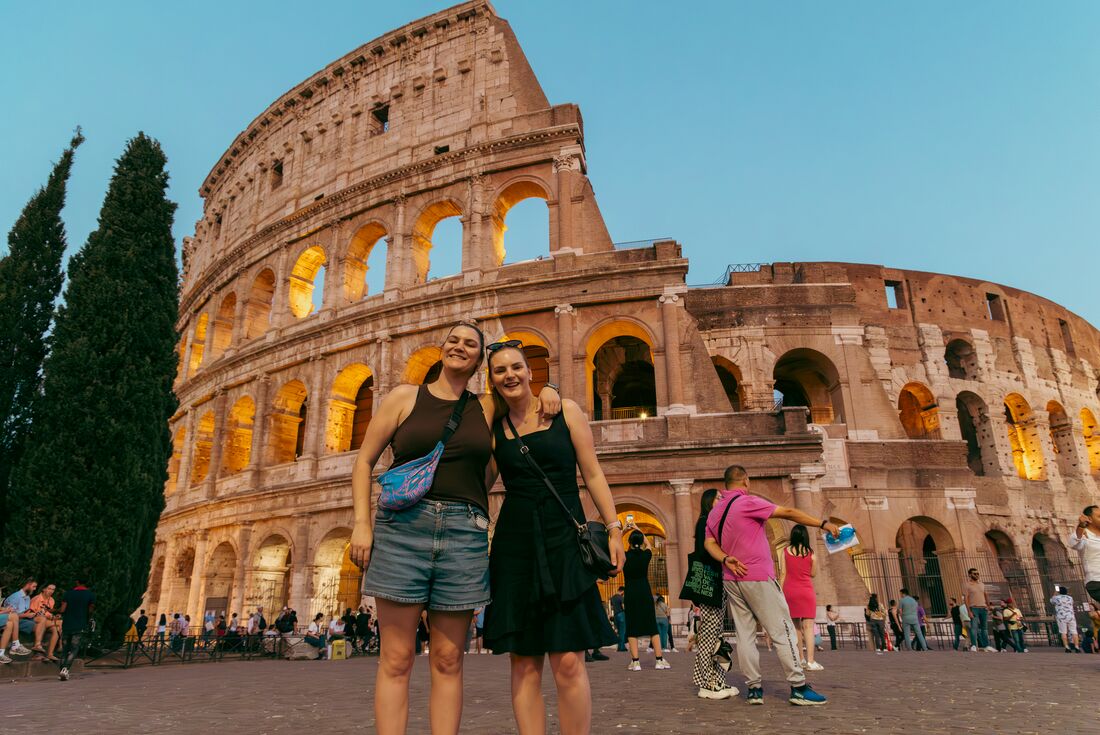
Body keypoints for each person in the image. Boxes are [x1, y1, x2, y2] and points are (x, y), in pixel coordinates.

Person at [350, 320, 560, 735]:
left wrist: (551, 390)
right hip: (402, 529)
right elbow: (363, 462)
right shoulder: (404, 397)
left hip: (464, 534)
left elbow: (522, 395)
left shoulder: (484, 406)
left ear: (479, 358)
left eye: (470, 344)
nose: (460, 347)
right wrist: (361, 523)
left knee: (448, 659)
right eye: (453, 341)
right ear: (442, 348)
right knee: (396, 658)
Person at [481, 341, 623, 735]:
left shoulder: (566, 411)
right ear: (491, 380)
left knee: (569, 663)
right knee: (524, 663)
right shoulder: (496, 428)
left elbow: (592, 473)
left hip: (564, 541)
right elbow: (483, 482)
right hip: (516, 545)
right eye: (499, 370)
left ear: (530, 371)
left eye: (516, 367)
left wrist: (613, 529)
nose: (509, 374)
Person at [704, 464, 838, 706]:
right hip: (757, 575)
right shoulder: (747, 502)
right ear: (745, 481)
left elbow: (709, 544)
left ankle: (754, 689)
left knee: (744, 636)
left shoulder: (715, 512)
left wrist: (725, 558)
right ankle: (798, 686)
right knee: (782, 629)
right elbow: (787, 512)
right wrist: (822, 523)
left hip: (731, 578)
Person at [689, 488, 737, 700]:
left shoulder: (710, 521)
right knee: (709, 633)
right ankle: (705, 683)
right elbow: (706, 552)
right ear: (709, 501)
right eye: (719, 497)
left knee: (716, 632)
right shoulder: (705, 521)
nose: (721, 500)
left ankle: (717, 680)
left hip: (714, 579)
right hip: (708, 579)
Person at [623, 529, 666, 671]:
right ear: (641, 542)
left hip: (630, 592)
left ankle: (635, 662)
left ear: (629, 542)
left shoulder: (624, 556)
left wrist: (623, 531)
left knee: (632, 627)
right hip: (644, 591)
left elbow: (614, 547)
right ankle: (659, 660)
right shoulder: (645, 555)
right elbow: (648, 545)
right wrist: (638, 528)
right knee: (652, 626)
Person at [779, 524, 821, 671]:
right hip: (806, 591)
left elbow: (783, 573)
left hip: (790, 591)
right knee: (808, 627)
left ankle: (800, 659)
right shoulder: (811, 554)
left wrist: (780, 592)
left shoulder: (785, 552)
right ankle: (811, 661)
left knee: (796, 627)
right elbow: (813, 574)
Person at [57, 576, 95, 681]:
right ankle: (66, 669)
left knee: (65, 649)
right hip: (80, 625)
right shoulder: (90, 595)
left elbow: (62, 609)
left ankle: (61, 670)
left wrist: (53, 610)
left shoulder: (68, 593)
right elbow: (90, 610)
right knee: (74, 648)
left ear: (77, 582)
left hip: (67, 624)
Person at [1071, 506, 1100, 605]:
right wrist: (1081, 526)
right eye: (1099, 516)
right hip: (1096, 582)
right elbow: (1073, 542)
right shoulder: (1084, 534)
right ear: (1090, 519)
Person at [962, 568, 994, 652]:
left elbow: (986, 595)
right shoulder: (967, 585)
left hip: (983, 608)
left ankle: (986, 645)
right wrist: (969, 611)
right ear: (970, 575)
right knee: (974, 628)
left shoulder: (982, 584)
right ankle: (973, 645)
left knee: (984, 628)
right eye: (974, 574)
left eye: (977, 573)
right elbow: (965, 599)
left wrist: (988, 606)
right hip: (974, 608)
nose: (977, 575)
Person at [28, 583, 61, 661]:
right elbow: (35, 613)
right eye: (49, 589)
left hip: (45, 620)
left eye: (53, 589)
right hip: (35, 619)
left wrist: (53, 616)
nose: (51, 591)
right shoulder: (36, 599)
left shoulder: (52, 600)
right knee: (45, 620)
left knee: (57, 626)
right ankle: (60, 645)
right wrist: (48, 615)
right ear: (44, 589)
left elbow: (47, 612)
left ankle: (50, 654)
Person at [1050, 586, 1079, 653]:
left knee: (1063, 632)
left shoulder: (1056, 598)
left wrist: (1055, 593)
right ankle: (1077, 647)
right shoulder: (1070, 598)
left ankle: (1067, 647)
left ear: (1059, 591)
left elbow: (1051, 601)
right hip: (1071, 616)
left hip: (1061, 617)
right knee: (1074, 632)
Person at [610, 587, 627, 652]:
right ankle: (621, 647)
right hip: (621, 614)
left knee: (618, 632)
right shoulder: (621, 597)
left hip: (615, 615)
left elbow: (611, 607)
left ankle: (620, 646)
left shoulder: (612, 598)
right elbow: (623, 606)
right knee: (622, 632)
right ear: (622, 591)